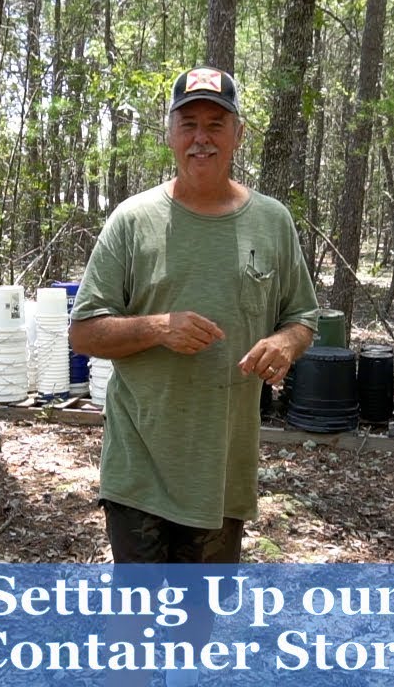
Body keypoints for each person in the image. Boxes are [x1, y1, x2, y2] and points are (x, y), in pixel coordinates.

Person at [69, 66, 319, 687]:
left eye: (215, 123)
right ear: (170, 135)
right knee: (134, 621)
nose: (201, 137)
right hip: (141, 459)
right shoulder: (134, 220)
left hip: (222, 461)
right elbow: (84, 332)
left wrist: (286, 343)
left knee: (195, 624)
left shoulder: (272, 221)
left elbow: (303, 316)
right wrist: (157, 328)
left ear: (237, 134)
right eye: (189, 124)